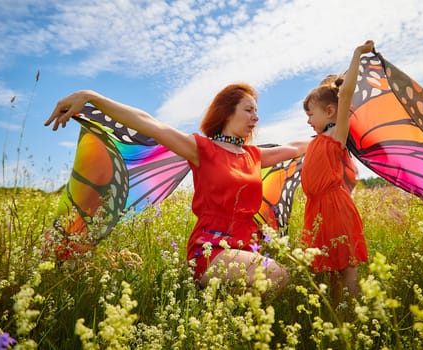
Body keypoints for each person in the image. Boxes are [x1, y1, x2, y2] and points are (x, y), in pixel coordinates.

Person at [45, 83, 309, 292]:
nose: (256, 117)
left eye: (256, 111)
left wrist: (333, 131)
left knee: (249, 316)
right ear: (228, 111)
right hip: (212, 249)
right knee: (278, 275)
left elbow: (296, 148)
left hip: (247, 248)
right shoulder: (200, 148)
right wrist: (90, 96)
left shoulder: (253, 155)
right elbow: (148, 122)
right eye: (248, 109)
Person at [300, 41, 374, 305]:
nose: (308, 120)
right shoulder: (316, 140)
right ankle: (337, 314)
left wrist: (357, 54)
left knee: (346, 265)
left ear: (330, 112)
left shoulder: (336, 135)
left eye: (310, 114)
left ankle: (353, 312)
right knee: (326, 268)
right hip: (316, 208)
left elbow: (345, 94)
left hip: (334, 206)